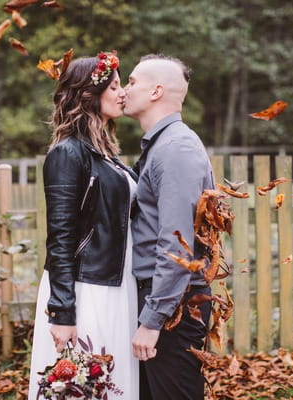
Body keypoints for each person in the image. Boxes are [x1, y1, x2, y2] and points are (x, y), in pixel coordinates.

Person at [27, 52, 139, 400]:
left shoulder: (105, 153)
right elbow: (60, 237)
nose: (123, 93)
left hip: (116, 286)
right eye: (115, 86)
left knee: (112, 383)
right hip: (87, 290)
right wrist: (62, 311)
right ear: (89, 95)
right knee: (86, 387)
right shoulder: (67, 153)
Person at [123, 54, 215, 399]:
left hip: (175, 303)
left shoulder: (175, 148)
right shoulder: (162, 144)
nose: (124, 89)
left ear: (156, 91)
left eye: (132, 82)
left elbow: (178, 247)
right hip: (165, 298)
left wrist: (152, 320)